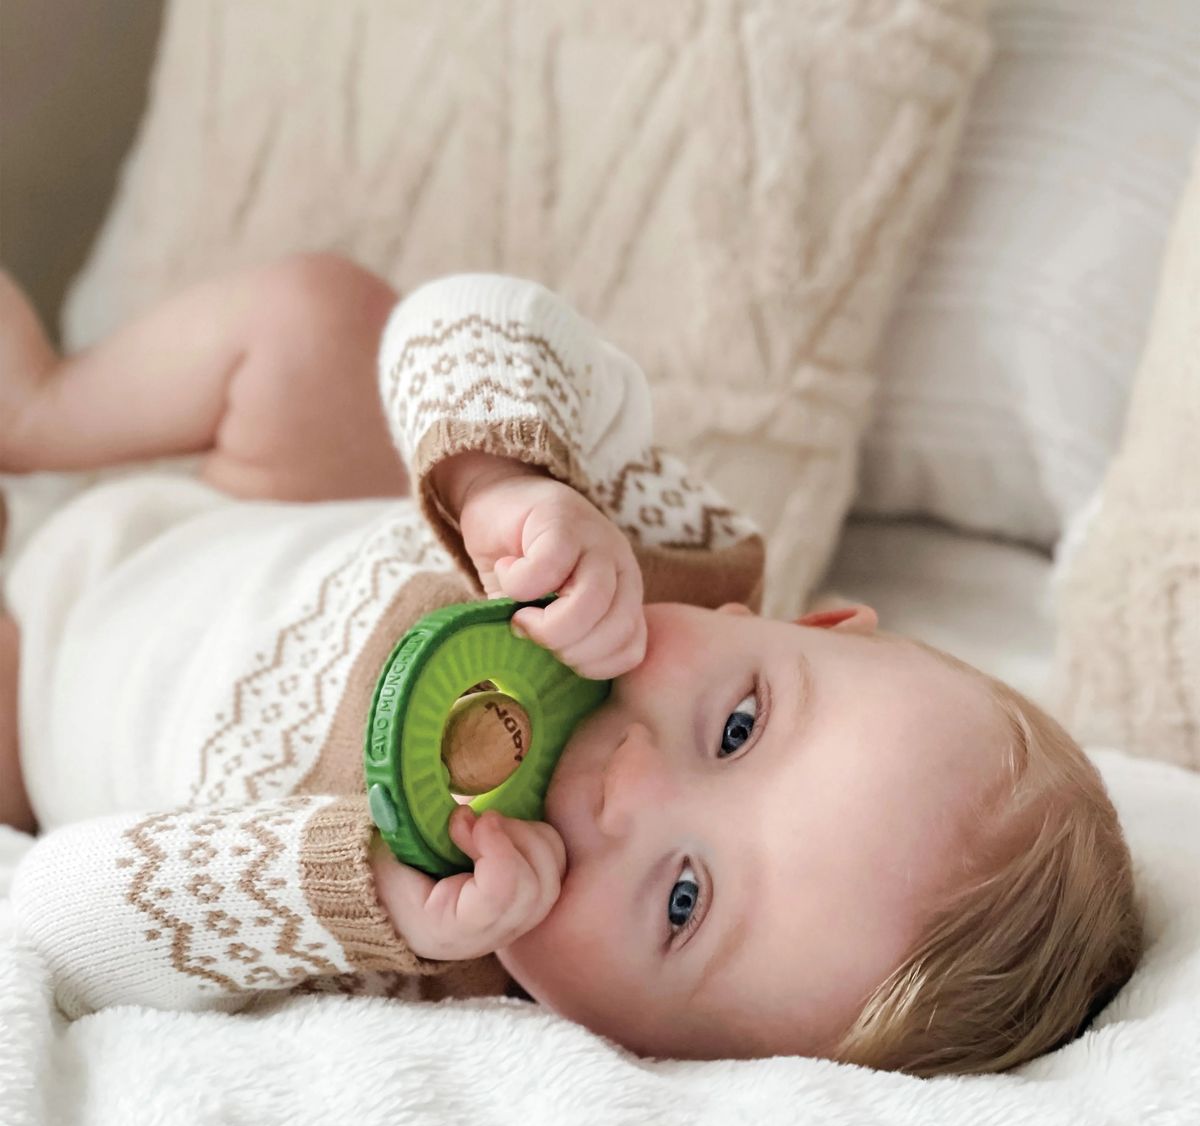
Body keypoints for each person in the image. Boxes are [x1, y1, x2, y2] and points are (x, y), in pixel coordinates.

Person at [0, 256, 1142, 1075]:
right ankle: (43, 413)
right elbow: (461, 315)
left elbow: (52, 914)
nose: (628, 779)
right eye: (738, 727)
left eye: (684, 900)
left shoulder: (423, 972)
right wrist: (508, 483)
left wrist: (358, 894)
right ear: (807, 624)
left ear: (642, 1043)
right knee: (324, 317)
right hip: (241, 506)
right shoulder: (660, 555)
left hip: (31, 693)